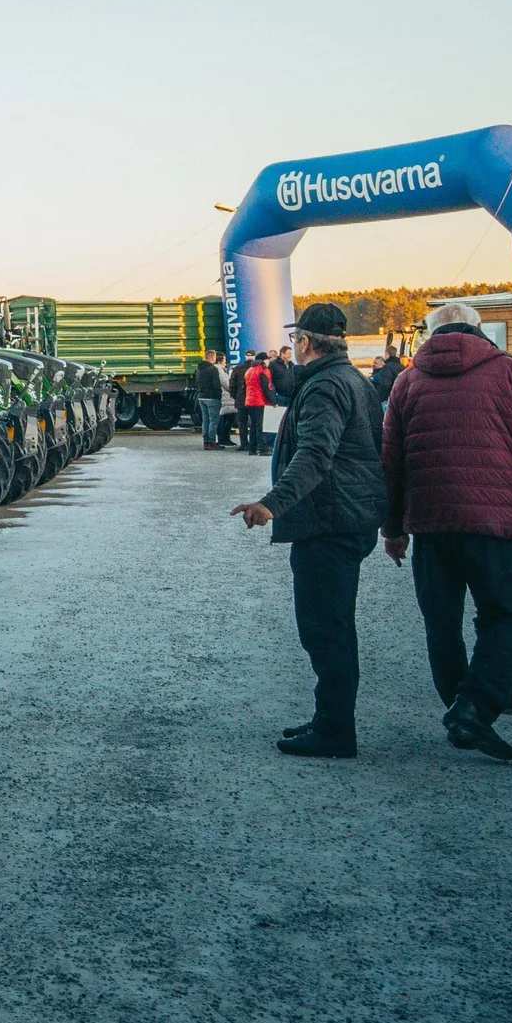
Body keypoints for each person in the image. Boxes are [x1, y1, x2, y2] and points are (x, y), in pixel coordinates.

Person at [380, 300, 512, 762]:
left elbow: (391, 464)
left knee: (441, 622)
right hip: (497, 524)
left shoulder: (408, 381)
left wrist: (393, 528)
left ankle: (460, 705)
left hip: (432, 526)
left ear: (431, 334)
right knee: (507, 616)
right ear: (478, 329)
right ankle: (473, 708)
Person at [229, 302, 387, 758]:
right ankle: (329, 718)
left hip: (329, 523)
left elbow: (316, 454)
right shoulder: (352, 379)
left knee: (325, 629)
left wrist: (270, 505)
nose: (293, 346)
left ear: (306, 342)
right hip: (345, 517)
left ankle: (336, 730)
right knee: (331, 626)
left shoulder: (326, 387)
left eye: (295, 338)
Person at [240, 353, 273, 455]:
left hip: (250, 401)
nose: (269, 362)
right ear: (264, 360)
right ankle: (263, 448)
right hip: (260, 401)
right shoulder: (263, 370)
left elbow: (244, 387)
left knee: (254, 425)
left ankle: (252, 448)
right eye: (268, 359)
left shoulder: (249, 370)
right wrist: (273, 401)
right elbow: (266, 388)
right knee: (261, 425)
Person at [195, 350, 225, 450]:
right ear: (212, 357)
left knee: (205, 420)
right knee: (213, 421)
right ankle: (212, 442)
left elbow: (196, 383)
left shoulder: (199, 369)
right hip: (212, 397)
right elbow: (216, 385)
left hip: (201, 397)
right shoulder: (213, 369)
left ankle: (206, 442)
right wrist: (219, 396)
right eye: (215, 357)